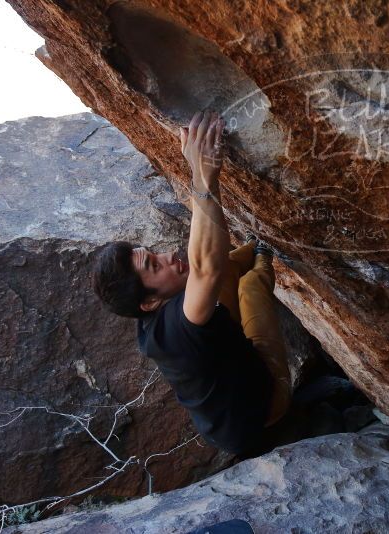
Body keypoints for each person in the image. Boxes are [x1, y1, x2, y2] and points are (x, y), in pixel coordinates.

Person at [91, 109, 292, 454]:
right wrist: (203, 176)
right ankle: (266, 252)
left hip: (226, 395)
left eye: (153, 252)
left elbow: (209, 265)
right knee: (249, 287)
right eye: (154, 265)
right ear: (149, 303)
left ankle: (255, 244)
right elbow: (205, 269)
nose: (168, 256)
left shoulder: (160, 310)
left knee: (224, 269)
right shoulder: (172, 334)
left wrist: (193, 166)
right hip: (261, 413)